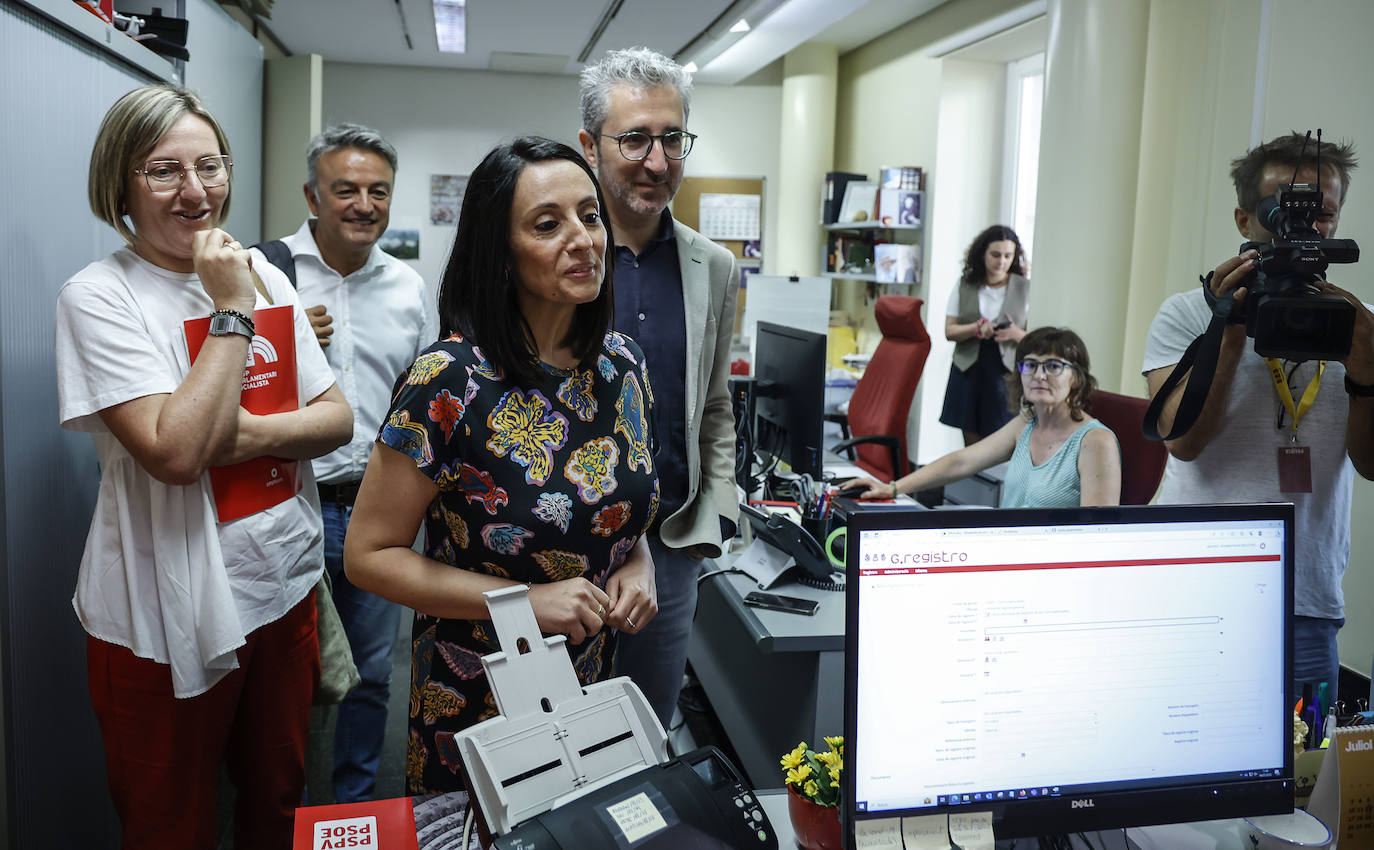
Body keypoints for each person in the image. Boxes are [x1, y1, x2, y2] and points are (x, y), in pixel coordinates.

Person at [54, 84, 353, 849]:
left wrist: (245, 435)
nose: (196, 192)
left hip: (280, 588)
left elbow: (336, 420)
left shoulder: (265, 273)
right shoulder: (99, 295)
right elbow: (178, 453)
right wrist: (230, 310)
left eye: (210, 166)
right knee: (169, 825)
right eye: (164, 171)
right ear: (120, 184)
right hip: (162, 610)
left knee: (276, 803)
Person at [344, 137, 660, 794]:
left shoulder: (622, 363)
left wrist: (638, 564)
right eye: (547, 224)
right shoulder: (449, 380)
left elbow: (619, 512)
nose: (582, 240)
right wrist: (525, 604)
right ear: (500, 252)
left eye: (590, 216)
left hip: (591, 686)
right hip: (475, 698)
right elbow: (369, 556)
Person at [1143, 132, 1372, 703]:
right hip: (1189, 580)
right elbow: (1183, 442)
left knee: (1303, 754)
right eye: (1282, 211)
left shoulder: (1362, 325)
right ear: (1245, 220)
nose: (1304, 228)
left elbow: (1372, 464)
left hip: (1305, 593)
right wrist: (1227, 328)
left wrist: (1367, 367)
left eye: (1321, 213)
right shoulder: (1189, 313)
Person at [255, 123, 433, 804]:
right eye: (345, 190)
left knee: (371, 673)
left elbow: (423, 402)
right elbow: (219, 379)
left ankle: (355, 811)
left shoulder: (409, 288)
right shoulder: (264, 277)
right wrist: (280, 331)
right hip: (289, 502)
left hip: (376, 512)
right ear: (312, 196)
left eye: (377, 191)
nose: (363, 205)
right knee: (288, 678)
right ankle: (287, 813)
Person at [577, 47, 740, 729]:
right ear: (590, 146)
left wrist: (719, 512)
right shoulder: (556, 255)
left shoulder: (714, 267)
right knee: (555, 745)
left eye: (672, 138)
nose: (657, 160)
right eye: (635, 139)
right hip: (563, 550)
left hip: (671, 545)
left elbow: (715, 404)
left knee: (647, 735)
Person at [843, 327, 1120, 508]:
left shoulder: (1096, 441)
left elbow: (1097, 535)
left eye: (1053, 366)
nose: (1039, 375)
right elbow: (962, 461)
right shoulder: (1028, 423)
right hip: (1010, 556)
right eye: (1030, 365)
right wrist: (891, 488)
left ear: (1076, 378)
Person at [940, 225, 1031, 446]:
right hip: (968, 368)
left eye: (1008, 256)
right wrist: (975, 328)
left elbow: (1038, 339)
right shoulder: (965, 284)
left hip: (1004, 370)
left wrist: (1016, 333)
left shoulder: (1025, 288)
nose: (1002, 262)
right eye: (995, 255)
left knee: (1002, 436)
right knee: (970, 438)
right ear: (983, 254)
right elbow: (949, 331)